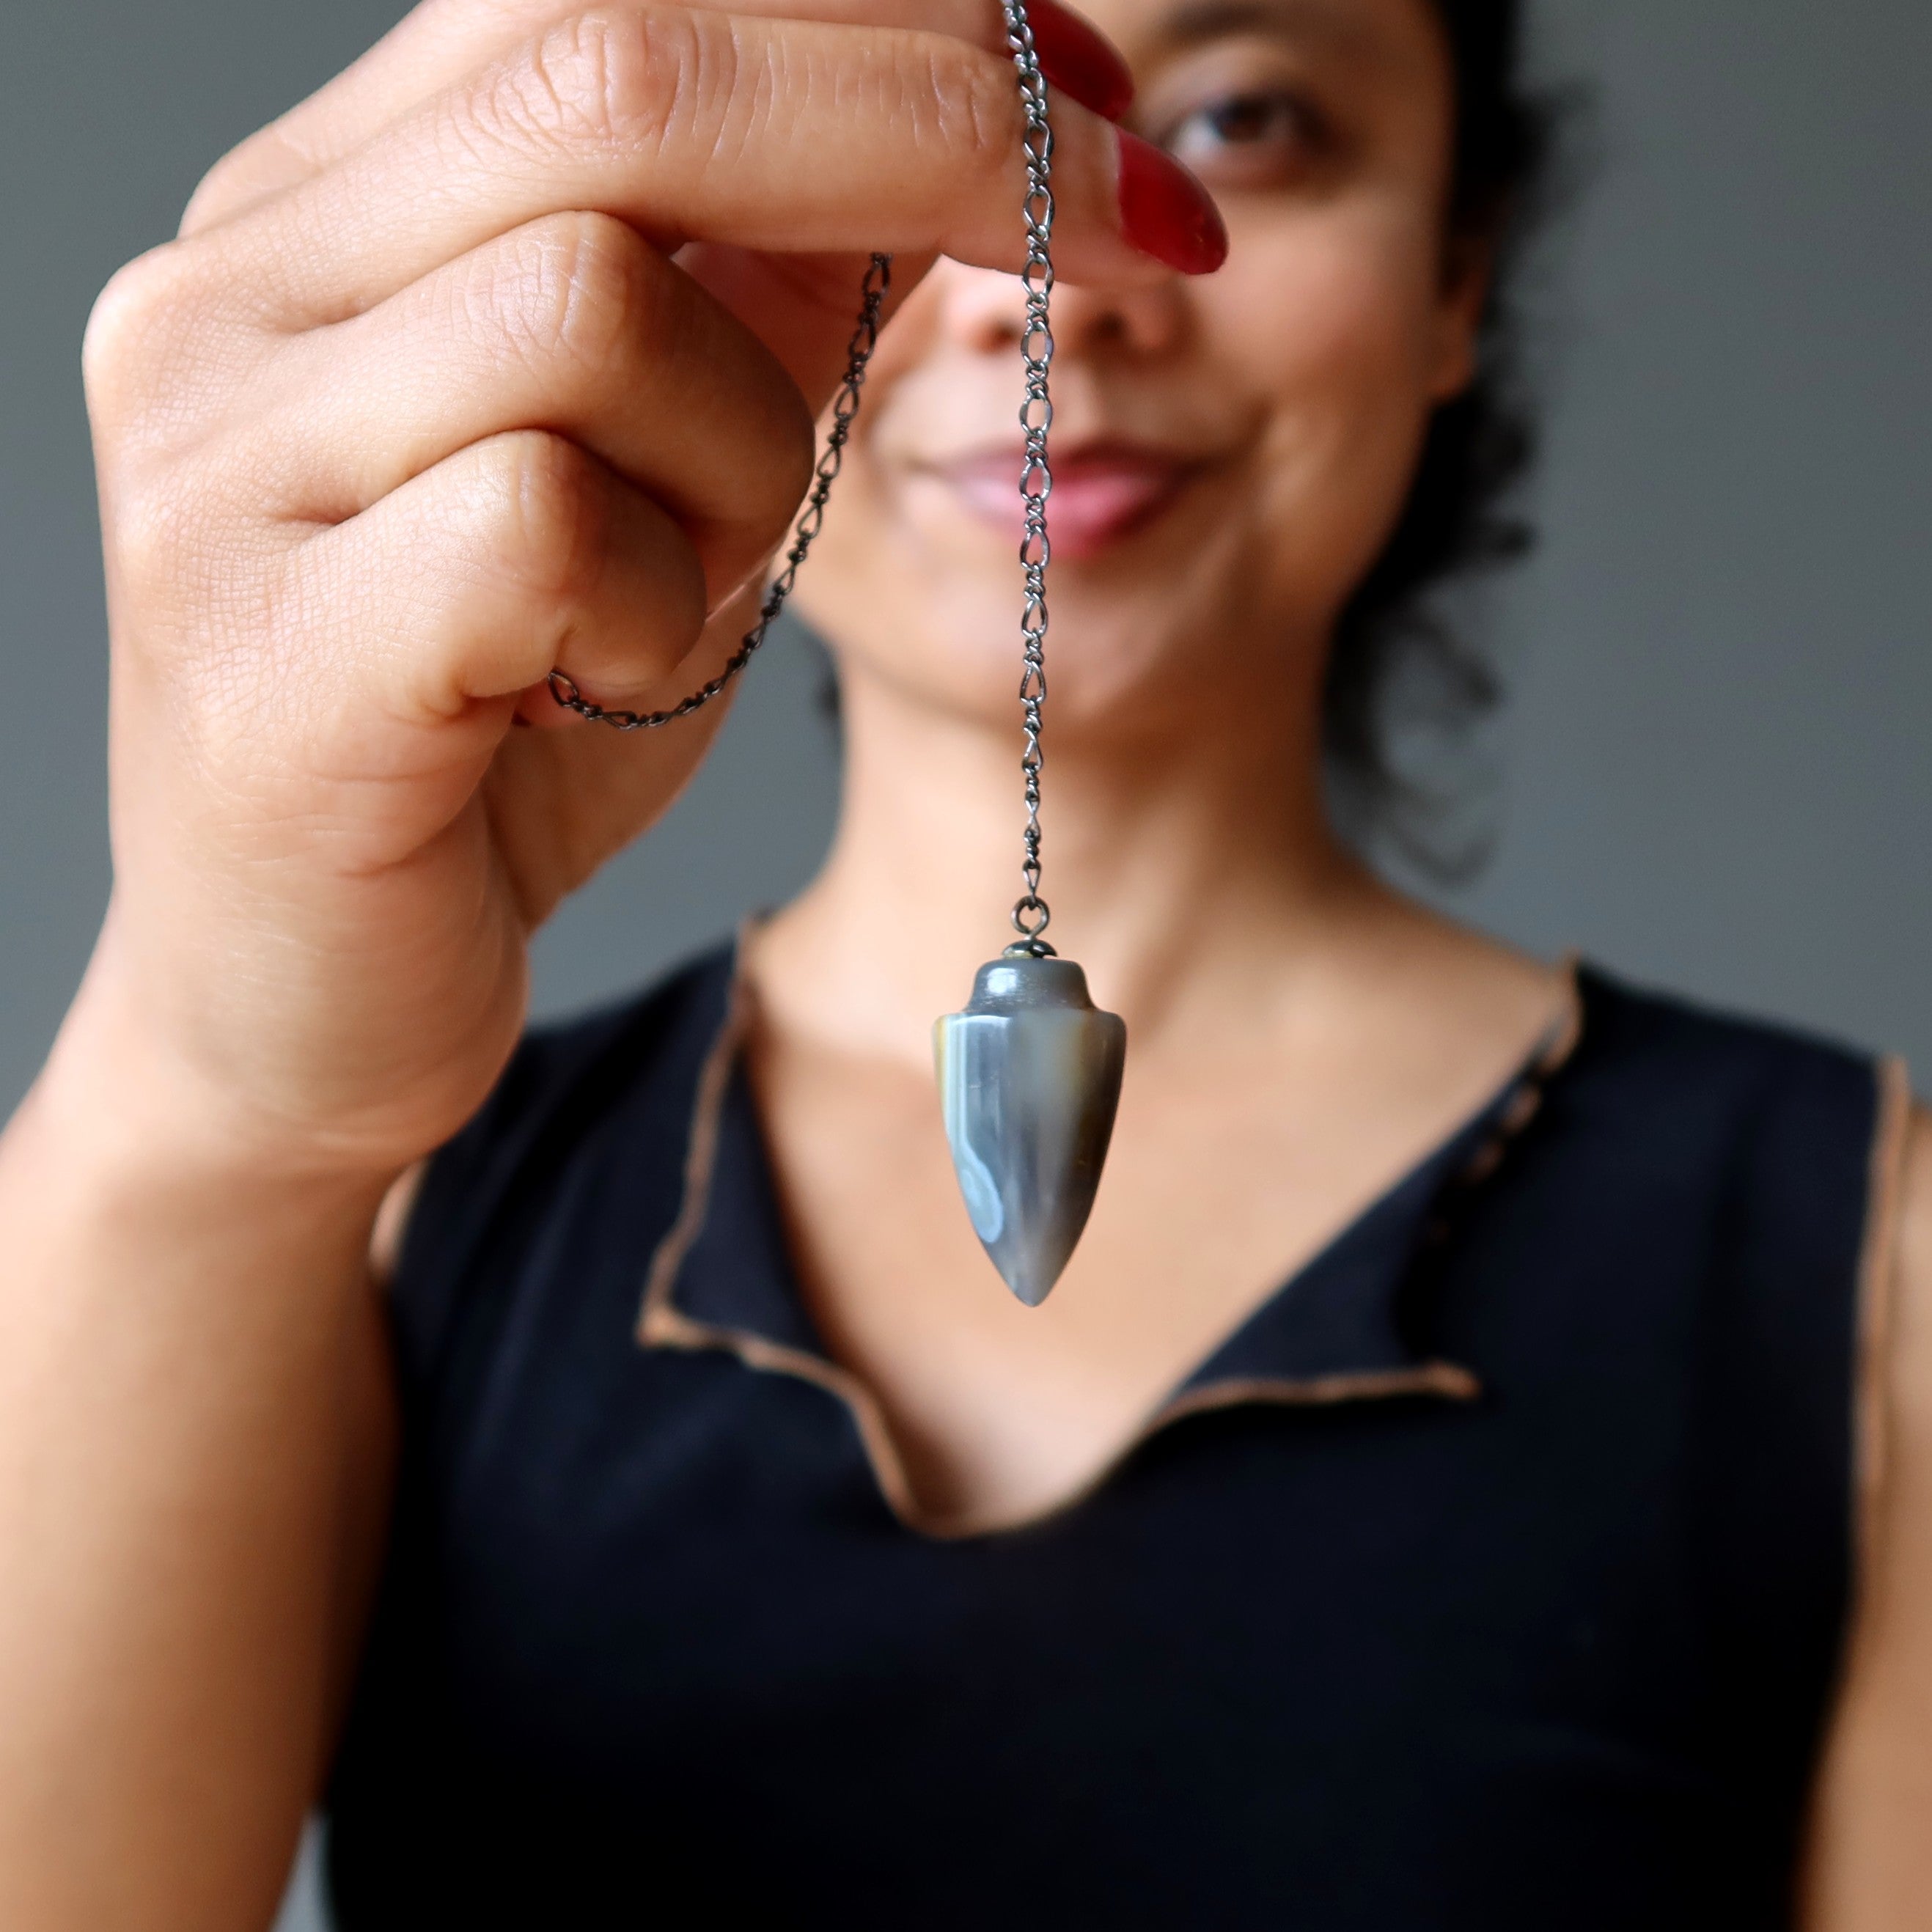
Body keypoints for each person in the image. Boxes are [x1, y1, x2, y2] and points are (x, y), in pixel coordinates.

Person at [0, 0, 1925, 1923]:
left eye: (1243, 118)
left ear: (1452, 274)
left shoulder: (1862, 1270)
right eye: (924, 127)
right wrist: (219, 1080)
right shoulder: (374, 1207)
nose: (1049, 291)